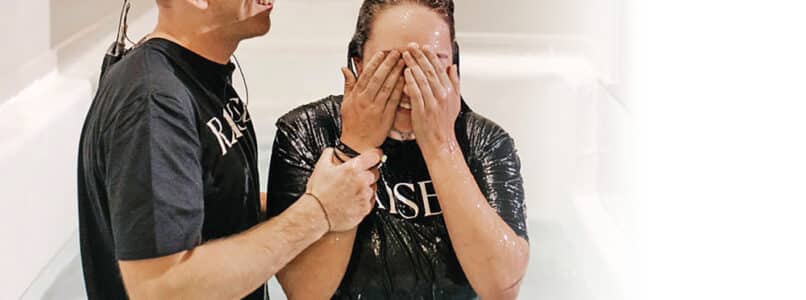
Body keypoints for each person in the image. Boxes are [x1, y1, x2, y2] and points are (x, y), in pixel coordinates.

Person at [77, 0, 382, 299]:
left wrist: (317, 196)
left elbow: (213, 204)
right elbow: (162, 288)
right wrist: (318, 211)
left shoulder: (195, 78)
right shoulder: (153, 103)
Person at [266, 0, 529, 299]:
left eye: (429, 64)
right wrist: (355, 146)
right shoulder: (308, 132)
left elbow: (502, 288)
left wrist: (441, 145)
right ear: (359, 62)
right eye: (393, 64)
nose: (410, 85)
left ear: (453, 65)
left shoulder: (484, 142)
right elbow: (304, 292)